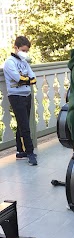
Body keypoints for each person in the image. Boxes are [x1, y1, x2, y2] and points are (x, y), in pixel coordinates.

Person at [3, 36, 38, 166]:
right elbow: (19, 79)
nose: (25, 53)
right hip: (16, 97)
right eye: (23, 50)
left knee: (22, 124)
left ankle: (20, 151)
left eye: (27, 51)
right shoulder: (9, 62)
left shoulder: (24, 62)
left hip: (26, 95)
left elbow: (33, 79)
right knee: (24, 126)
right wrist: (25, 79)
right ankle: (30, 153)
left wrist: (25, 79)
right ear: (16, 48)